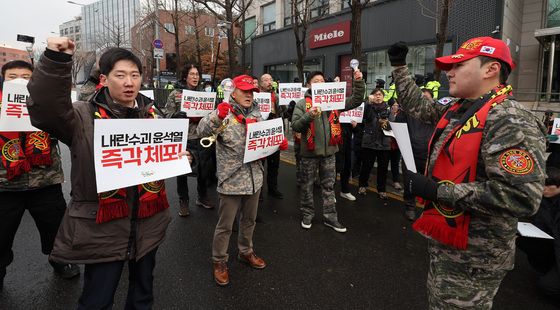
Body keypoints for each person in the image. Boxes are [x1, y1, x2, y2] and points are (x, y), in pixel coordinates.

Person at [27, 37, 194, 308]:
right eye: (120, 75)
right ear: (104, 79)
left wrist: (182, 157)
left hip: (148, 225)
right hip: (102, 228)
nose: (129, 82)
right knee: (97, 300)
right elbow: (45, 111)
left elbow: (161, 156)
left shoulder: (153, 116)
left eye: (135, 75)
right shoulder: (83, 117)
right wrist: (56, 61)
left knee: (143, 296)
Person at [388, 37, 546, 308]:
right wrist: (400, 67)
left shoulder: (509, 119)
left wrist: (438, 191)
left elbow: (521, 196)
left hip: (476, 256)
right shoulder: (460, 109)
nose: (449, 71)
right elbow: (419, 107)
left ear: (490, 69)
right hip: (450, 245)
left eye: (459, 65)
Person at [198, 75, 287, 286]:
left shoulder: (258, 113)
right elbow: (201, 132)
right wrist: (216, 118)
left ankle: (245, 251)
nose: (249, 95)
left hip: (254, 178)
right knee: (225, 225)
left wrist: (276, 144)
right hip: (231, 180)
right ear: (234, 92)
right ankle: (219, 261)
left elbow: (264, 140)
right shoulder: (223, 112)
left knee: (249, 220)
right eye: (245, 91)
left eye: (251, 92)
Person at [0, 60, 80, 291]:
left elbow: (69, 129)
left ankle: (60, 260)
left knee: (55, 228)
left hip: (45, 182)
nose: (19, 81)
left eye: (26, 77)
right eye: (12, 76)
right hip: (5, 186)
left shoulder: (48, 108)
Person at [291, 69, 365, 233]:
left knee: (329, 187)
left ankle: (330, 217)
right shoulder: (302, 104)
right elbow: (295, 125)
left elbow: (356, 100)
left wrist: (358, 82)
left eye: (322, 80)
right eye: (316, 81)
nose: (320, 83)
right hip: (308, 155)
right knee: (307, 186)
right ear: (309, 85)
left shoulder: (334, 102)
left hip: (330, 153)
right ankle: (307, 214)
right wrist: (309, 115)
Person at [165, 64, 214, 216]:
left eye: (197, 74)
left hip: (202, 137)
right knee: (182, 171)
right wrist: (175, 116)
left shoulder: (204, 94)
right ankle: (183, 201)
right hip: (185, 138)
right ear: (185, 76)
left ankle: (202, 196)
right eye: (192, 74)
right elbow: (167, 114)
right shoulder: (175, 94)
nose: (195, 77)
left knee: (203, 169)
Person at [517, 166, 560, 300]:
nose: (543, 189)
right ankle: (547, 270)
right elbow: (540, 225)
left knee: (547, 286)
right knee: (523, 241)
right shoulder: (544, 200)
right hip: (553, 243)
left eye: (548, 186)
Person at [357, 89, 391, 200]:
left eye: (380, 94)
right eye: (376, 94)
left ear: (383, 97)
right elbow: (363, 117)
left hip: (384, 143)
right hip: (369, 142)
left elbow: (394, 125)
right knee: (366, 166)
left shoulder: (388, 110)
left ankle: (381, 189)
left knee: (383, 168)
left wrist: (387, 124)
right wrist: (368, 102)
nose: (378, 96)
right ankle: (362, 185)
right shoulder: (368, 107)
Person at [260, 73, 286, 199]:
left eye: (270, 79)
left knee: (274, 163)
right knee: (260, 164)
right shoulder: (257, 97)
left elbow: (284, 113)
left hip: (274, 131)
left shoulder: (276, 96)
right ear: (261, 83)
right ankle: (258, 192)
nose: (269, 82)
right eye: (265, 80)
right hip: (262, 132)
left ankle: (273, 188)